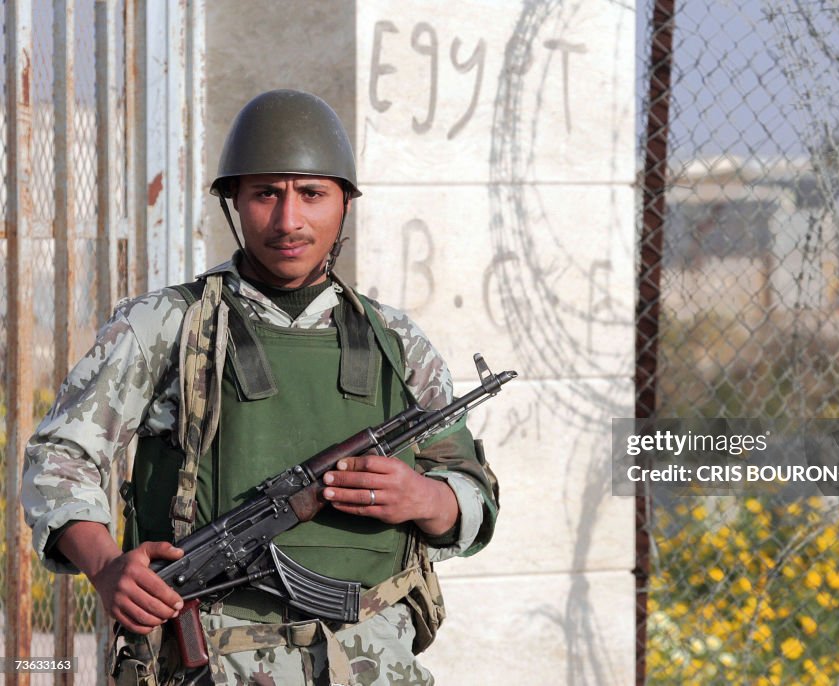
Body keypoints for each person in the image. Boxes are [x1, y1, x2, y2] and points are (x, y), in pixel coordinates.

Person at [22, 89, 499, 686]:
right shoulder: (166, 325)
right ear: (235, 204)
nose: (288, 220)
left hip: (375, 665)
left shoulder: (396, 342)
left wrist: (429, 500)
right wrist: (105, 565)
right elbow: (60, 458)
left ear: (344, 203)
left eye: (312, 194)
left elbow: (473, 490)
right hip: (211, 664)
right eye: (265, 194)